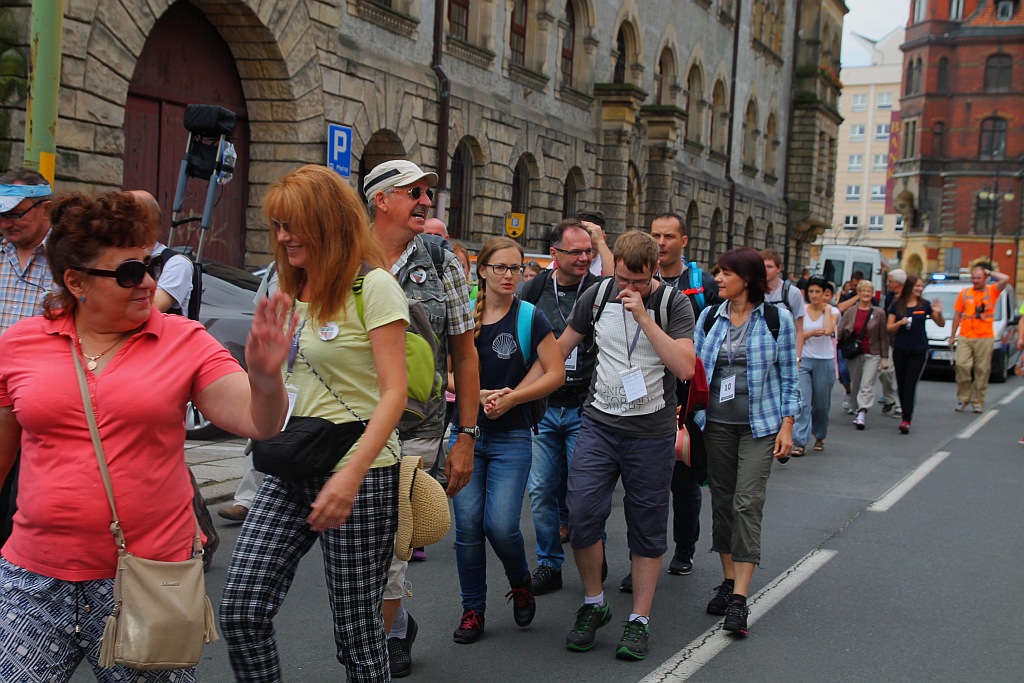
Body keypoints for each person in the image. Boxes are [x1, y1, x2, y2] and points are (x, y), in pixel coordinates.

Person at [0, 190, 292, 682]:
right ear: (76, 282)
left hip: (149, 577)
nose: (148, 284)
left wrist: (265, 378)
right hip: (33, 578)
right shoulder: (19, 345)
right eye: (129, 273)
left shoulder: (183, 339)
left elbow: (258, 422)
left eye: (148, 266)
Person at [220, 165, 409, 682]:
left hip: (360, 471)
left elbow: (395, 394)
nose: (283, 237)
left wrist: (350, 477)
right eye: (278, 226)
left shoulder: (373, 287)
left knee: (355, 632)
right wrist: (260, 373)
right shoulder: (287, 292)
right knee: (240, 611)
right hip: (291, 462)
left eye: (293, 225)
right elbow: (277, 399)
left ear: (327, 222)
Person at [364, 159, 480, 678]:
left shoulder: (439, 260)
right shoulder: (344, 257)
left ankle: (384, 639)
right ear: (380, 200)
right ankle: (395, 622)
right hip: (350, 425)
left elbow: (465, 354)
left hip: (417, 429)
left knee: (392, 541)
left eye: (427, 193)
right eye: (414, 193)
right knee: (360, 546)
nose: (427, 202)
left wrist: (467, 435)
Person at [557, 231, 696, 661]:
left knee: (647, 526)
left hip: (651, 433)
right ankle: (595, 604)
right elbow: (560, 349)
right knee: (580, 513)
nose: (627, 289)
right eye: (621, 279)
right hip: (599, 423)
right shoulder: (597, 295)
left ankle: (638, 621)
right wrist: (515, 389)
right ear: (613, 265)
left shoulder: (674, 304)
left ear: (654, 271)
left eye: (636, 281)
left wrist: (645, 319)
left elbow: (685, 367)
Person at [449, 237, 564, 644]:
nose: (509, 276)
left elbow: (555, 373)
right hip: (465, 435)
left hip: (512, 436)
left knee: (500, 525)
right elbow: (442, 372)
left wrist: (514, 397)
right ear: (482, 270)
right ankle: (472, 610)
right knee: (466, 526)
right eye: (500, 267)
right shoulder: (463, 313)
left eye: (515, 268)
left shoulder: (530, 316)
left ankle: (520, 583)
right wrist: (472, 393)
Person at [693, 247, 799, 637]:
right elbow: (695, 372)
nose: (717, 279)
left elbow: (790, 375)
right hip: (715, 424)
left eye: (725, 273)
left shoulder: (777, 319)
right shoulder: (708, 317)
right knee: (722, 502)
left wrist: (788, 425)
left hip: (761, 425)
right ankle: (727, 578)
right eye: (717, 272)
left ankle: (739, 598)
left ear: (748, 279)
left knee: (746, 502)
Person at [637, 211, 721, 582]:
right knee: (645, 482)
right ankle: (644, 555)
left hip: (687, 393)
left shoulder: (700, 284)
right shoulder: (641, 280)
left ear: (684, 241)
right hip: (645, 388)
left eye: (669, 236)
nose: (661, 242)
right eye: (655, 235)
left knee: (683, 479)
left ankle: (684, 548)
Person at [521, 219, 602, 595]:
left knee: (585, 492)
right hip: (544, 407)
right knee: (540, 490)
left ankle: (594, 558)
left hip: (588, 406)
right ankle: (549, 563)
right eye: (576, 251)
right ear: (554, 254)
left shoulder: (601, 290)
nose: (585, 257)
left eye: (590, 251)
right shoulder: (535, 289)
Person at [0, 168, 55, 548]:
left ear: (45, 209)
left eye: (16, 213)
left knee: (21, 509)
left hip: (39, 403)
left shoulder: (67, 259)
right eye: (1, 214)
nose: (6, 222)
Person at [886, 275, 944, 434]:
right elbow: (889, 327)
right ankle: (905, 413)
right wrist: (900, 323)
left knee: (910, 385)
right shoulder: (897, 305)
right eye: (917, 286)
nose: (920, 289)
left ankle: (906, 419)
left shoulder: (924, 305)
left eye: (921, 286)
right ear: (909, 287)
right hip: (900, 349)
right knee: (902, 384)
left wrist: (939, 313)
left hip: (918, 350)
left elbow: (940, 324)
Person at [949, 264, 1010, 412]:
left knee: (982, 370)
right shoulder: (964, 293)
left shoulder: (992, 291)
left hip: (984, 336)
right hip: (965, 335)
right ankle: (963, 398)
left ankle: (978, 401)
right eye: (973, 278)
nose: (975, 281)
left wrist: (989, 271)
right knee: (962, 365)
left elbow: (1005, 278)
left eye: (978, 278)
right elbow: (957, 315)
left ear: (985, 279)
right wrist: (952, 336)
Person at [792, 276, 837, 455]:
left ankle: (820, 435)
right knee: (803, 402)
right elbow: (799, 334)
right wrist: (809, 334)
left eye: (818, 292)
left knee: (821, 404)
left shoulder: (832, 311)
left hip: (824, 360)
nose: (814, 295)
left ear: (824, 293)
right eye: (811, 291)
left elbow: (828, 330)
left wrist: (825, 310)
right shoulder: (802, 310)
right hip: (805, 359)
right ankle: (800, 442)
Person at [838, 280, 888, 430]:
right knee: (856, 384)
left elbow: (883, 336)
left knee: (867, 384)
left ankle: (862, 412)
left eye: (869, 291)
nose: (866, 294)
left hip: (873, 353)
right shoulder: (850, 311)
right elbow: (840, 331)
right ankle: (856, 408)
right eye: (863, 291)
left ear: (872, 293)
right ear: (858, 293)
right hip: (854, 353)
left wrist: (884, 357)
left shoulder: (879, 313)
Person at [760, 248, 804, 359]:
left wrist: (797, 358)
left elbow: (799, 329)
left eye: (770, 267)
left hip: (784, 352)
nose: (765, 270)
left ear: (779, 268)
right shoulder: (752, 291)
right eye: (762, 266)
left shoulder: (792, 293)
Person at [879, 269, 907, 417]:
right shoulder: (889, 297)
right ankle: (889, 398)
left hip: (902, 339)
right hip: (888, 338)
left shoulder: (908, 298)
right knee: (884, 371)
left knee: (898, 373)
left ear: (898, 283)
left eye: (890, 281)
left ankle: (899, 404)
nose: (888, 283)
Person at [576, 210, 614, 277]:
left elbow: (615, 279)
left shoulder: (605, 262)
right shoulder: (560, 262)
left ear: (603, 237)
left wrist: (600, 241)